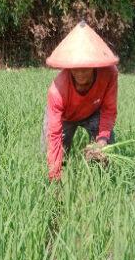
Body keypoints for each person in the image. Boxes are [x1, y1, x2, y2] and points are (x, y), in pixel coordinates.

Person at [41, 21, 119, 181]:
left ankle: (100, 183)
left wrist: (102, 139)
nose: (80, 72)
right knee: (51, 156)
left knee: (105, 152)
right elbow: (54, 135)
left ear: (95, 65)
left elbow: (108, 109)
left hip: (92, 111)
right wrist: (54, 175)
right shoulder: (57, 91)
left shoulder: (109, 74)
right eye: (75, 67)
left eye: (86, 67)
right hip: (65, 117)